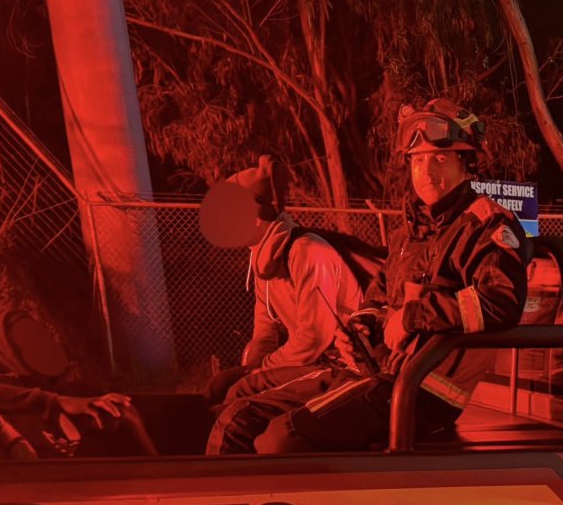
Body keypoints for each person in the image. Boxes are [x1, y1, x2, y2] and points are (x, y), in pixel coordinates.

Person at [206, 98, 529, 454]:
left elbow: (502, 301)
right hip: (378, 373)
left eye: (439, 158)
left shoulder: (487, 226)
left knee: (282, 439)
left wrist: (411, 316)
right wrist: (361, 327)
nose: (425, 170)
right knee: (239, 419)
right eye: (417, 160)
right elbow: (376, 300)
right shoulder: (407, 235)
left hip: (424, 391)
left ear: (466, 163)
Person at [199, 155, 365, 404]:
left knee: (241, 394)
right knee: (218, 389)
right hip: (311, 360)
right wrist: (251, 368)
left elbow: (314, 338)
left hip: (341, 361)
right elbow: (265, 333)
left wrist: (261, 371)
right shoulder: (262, 258)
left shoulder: (307, 251)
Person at [0, 309, 152, 457]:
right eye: (26, 341)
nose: (42, 346)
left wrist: (130, 422)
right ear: (6, 353)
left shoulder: (81, 392)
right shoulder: (8, 392)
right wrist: (57, 402)